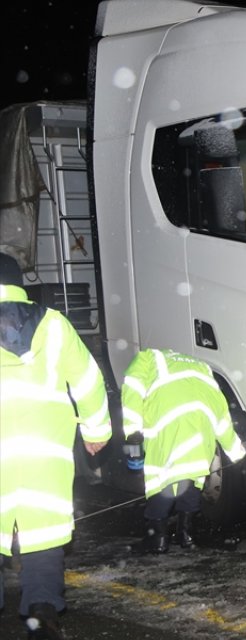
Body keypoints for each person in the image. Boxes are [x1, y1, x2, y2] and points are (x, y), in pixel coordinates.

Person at [0, 251, 111, 640]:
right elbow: (87, 382)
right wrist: (96, 431)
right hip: (43, 456)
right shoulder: (53, 324)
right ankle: (42, 615)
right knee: (43, 538)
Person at [120, 348, 246, 553]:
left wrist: (133, 429)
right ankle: (186, 534)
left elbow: (132, 387)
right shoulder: (203, 367)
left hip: (167, 419)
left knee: (160, 479)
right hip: (201, 424)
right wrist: (236, 451)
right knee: (192, 474)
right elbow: (221, 413)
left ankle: (158, 538)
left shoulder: (148, 357)